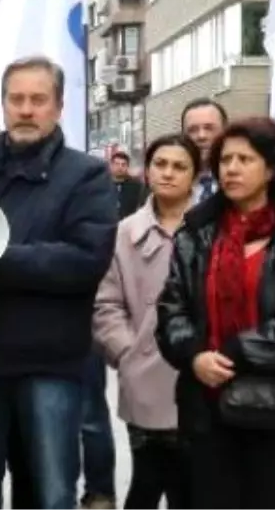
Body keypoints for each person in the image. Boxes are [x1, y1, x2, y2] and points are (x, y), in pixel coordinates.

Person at [0, 55, 118, 510]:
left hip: (51, 361)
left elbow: (86, 260)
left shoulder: (87, 176)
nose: (25, 109)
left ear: (58, 107)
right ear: (3, 105)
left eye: (38, 99)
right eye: (16, 99)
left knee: (53, 492)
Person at [155, 117, 275, 509]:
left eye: (245, 159)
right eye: (225, 160)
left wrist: (239, 350)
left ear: (270, 168)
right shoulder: (198, 232)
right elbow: (172, 308)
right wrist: (195, 354)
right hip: (205, 400)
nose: (231, 168)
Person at [94, 134, 200, 510]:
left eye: (179, 166)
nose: (168, 173)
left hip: (201, 377)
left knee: (190, 488)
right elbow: (107, 304)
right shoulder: (125, 232)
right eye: (160, 164)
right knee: (147, 481)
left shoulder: (212, 227)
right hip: (144, 375)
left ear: (195, 176)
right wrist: (127, 352)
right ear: (148, 170)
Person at [179, 98, 228, 203]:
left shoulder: (242, 179)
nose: (201, 136)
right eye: (192, 130)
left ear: (225, 132)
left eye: (209, 128)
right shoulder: (170, 181)